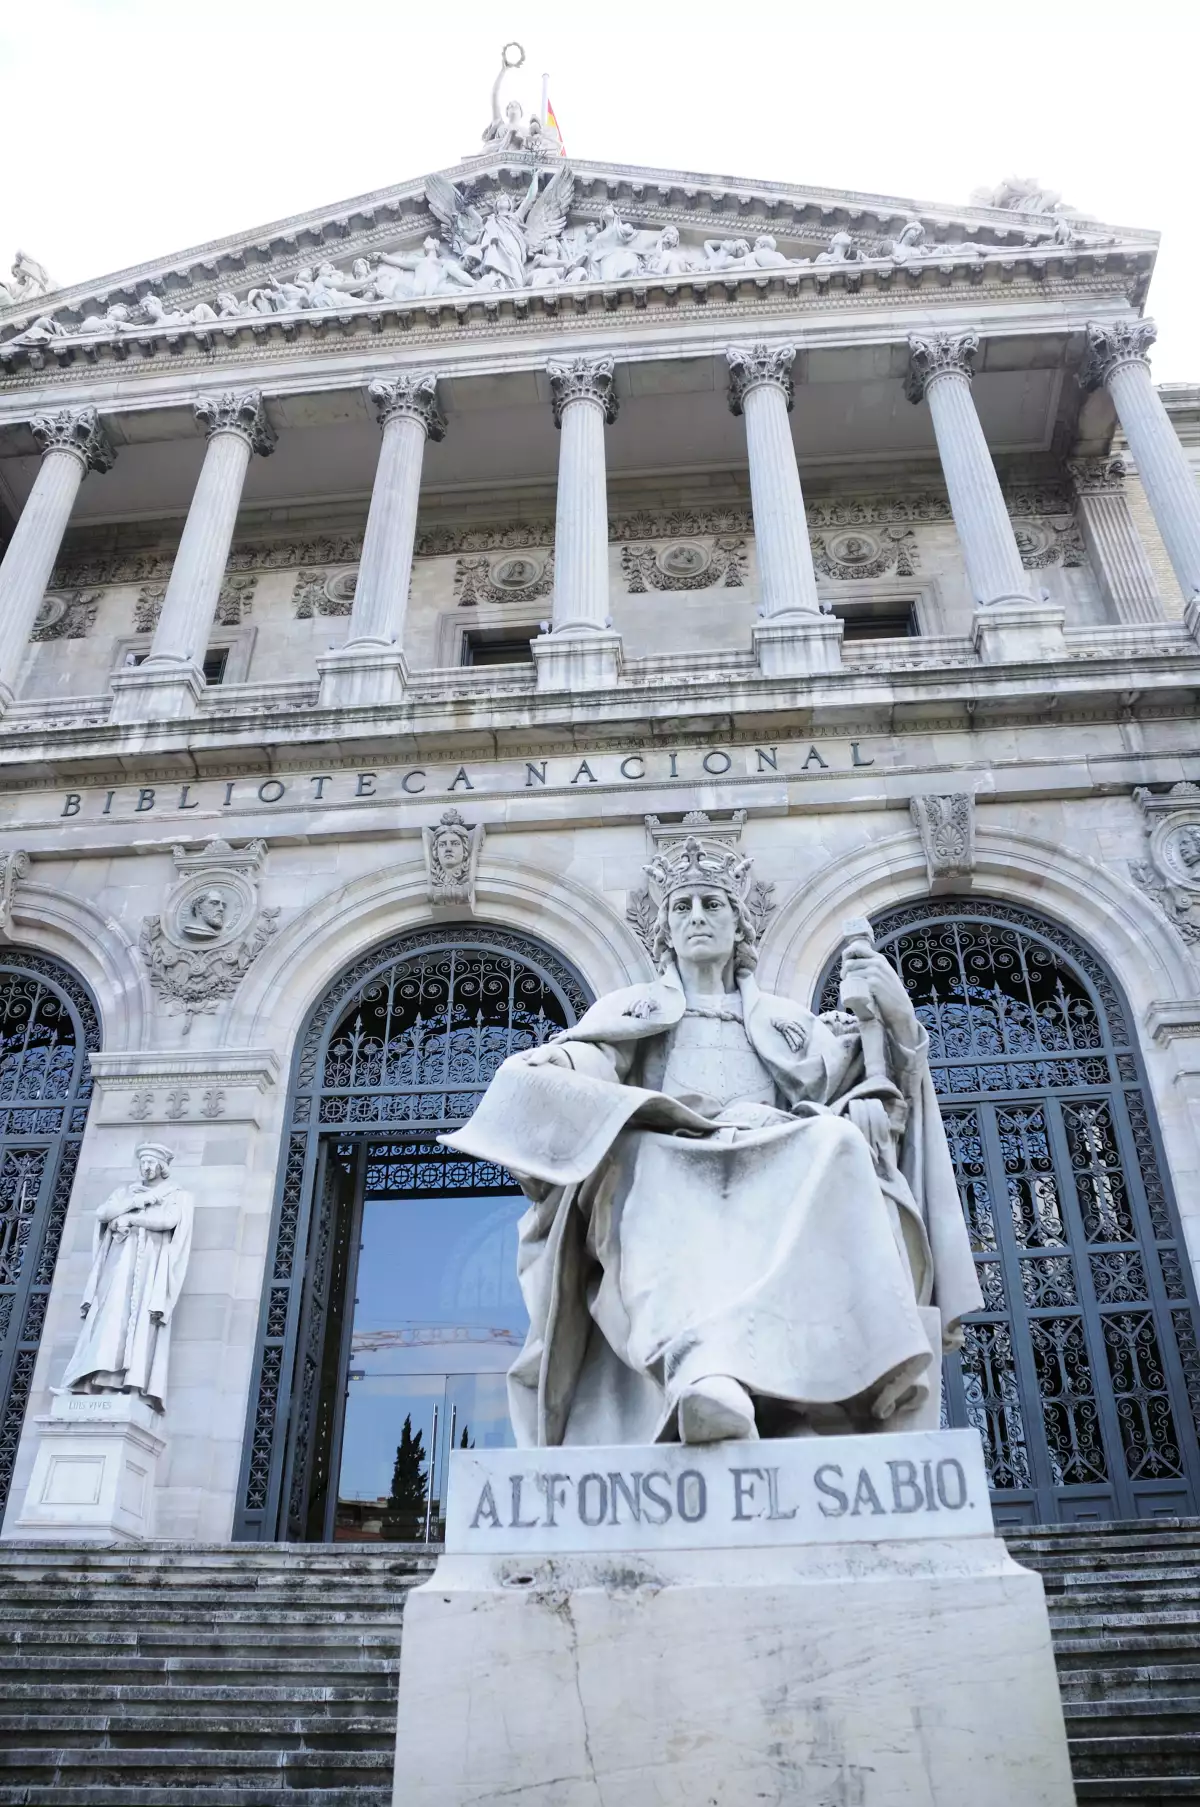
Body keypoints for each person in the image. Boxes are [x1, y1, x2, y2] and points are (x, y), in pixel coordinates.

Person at [444, 836, 981, 1447]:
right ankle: (705, 1375)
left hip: (772, 1153)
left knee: (836, 1143)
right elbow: (584, 1067)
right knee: (634, 1161)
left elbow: (878, 1089)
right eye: (682, 907)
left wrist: (896, 1018)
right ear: (666, 931)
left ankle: (794, 1391)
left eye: (711, 904)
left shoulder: (787, 1023)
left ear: (739, 924)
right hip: (669, 1157)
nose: (696, 916)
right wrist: (551, 1066)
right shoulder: (634, 1009)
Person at [57, 1144, 194, 1413]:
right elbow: (103, 1213)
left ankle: (126, 1383)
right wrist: (134, 1204)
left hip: (147, 1273)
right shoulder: (124, 1193)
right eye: (142, 1162)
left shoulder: (176, 1195)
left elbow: (168, 1220)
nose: (146, 1167)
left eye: (151, 1162)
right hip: (118, 1267)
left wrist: (131, 1220)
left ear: (162, 1167)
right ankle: (93, 1380)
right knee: (107, 1320)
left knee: (137, 1327)